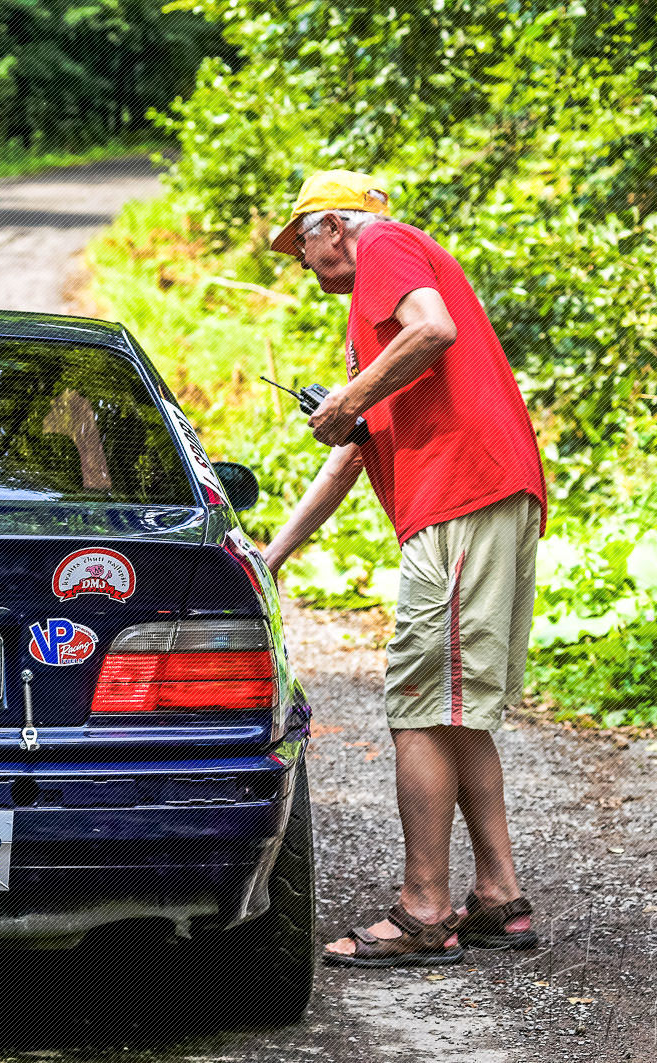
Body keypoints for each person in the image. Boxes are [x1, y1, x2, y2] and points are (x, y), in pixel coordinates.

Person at [261, 170, 547, 968]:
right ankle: (498, 896)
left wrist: (348, 395)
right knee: (454, 710)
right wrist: (273, 555)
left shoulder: (383, 244)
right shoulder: (376, 337)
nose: (301, 260)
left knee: (417, 704)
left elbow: (434, 328)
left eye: (300, 243)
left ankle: (423, 908)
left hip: (460, 494)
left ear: (332, 226)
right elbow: (351, 458)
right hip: (479, 495)